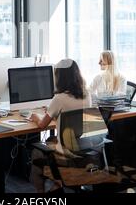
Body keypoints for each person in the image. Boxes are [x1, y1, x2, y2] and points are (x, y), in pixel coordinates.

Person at [29, 59, 91, 193]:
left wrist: (36, 117)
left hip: (64, 149)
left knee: (37, 151)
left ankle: (41, 192)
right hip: (83, 146)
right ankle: (58, 183)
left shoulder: (59, 99)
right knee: (51, 141)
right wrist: (55, 113)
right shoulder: (87, 94)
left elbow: (42, 125)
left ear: (60, 78)